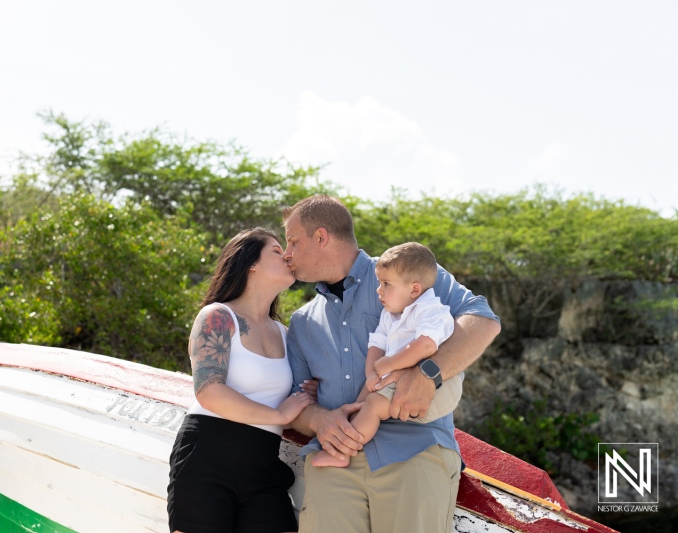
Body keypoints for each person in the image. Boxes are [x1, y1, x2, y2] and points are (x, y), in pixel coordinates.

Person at [283, 195, 501, 533]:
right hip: (332, 462)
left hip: (415, 449)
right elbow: (296, 401)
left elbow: (483, 320)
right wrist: (319, 420)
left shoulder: (407, 273)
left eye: (292, 242)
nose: (287, 254)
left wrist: (430, 372)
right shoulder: (301, 323)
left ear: (321, 237)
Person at [167, 228, 315, 533]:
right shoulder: (218, 316)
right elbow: (209, 391)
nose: (288, 255)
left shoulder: (286, 334)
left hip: (263, 464)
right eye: (276, 250)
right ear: (251, 263)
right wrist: (278, 415)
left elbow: (295, 394)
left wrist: (307, 393)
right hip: (207, 457)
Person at [310, 241, 460, 468]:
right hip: (399, 378)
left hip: (436, 387)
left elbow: (426, 346)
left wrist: (387, 364)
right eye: (379, 282)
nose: (379, 289)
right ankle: (347, 426)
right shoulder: (391, 315)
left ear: (414, 289)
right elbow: (377, 344)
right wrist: (372, 372)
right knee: (363, 398)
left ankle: (343, 452)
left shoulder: (431, 311)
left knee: (373, 405)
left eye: (386, 284)